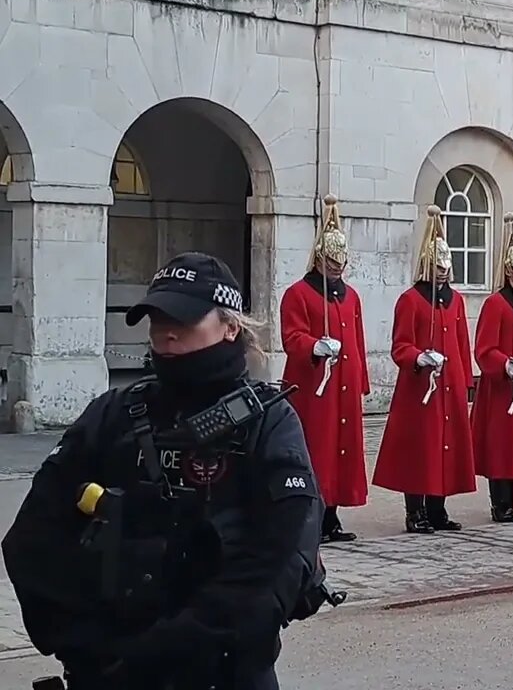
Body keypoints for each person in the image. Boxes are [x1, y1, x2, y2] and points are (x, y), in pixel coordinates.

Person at [3, 252, 325, 688]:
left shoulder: (268, 421)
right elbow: (33, 537)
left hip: (223, 672)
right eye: (156, 319)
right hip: (109, 669)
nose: (166, 332)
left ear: (230, 326)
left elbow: (284, 554)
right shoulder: (112, 414)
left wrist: (181, 642)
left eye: (184, 319)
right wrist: (84, 643)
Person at [373, 205, 476, 533]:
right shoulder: (410, 300)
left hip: (449, 385)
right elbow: (400, 346)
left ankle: (438, 508)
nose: (443, 273)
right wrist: (419, 357)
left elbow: (462, 345)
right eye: (438, 267)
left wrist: (464, 380)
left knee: (446, 448)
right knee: (420, 450)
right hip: (421, 388)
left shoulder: (457, 300)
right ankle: (414, 510)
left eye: (447, 267)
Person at [279, 194, 370, 544]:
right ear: (319, 258)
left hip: (343, 385)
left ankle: (331, 516)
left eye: (340, 261)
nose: (337, 267)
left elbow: (357, 342)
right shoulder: (298, 293)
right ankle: (312, 517)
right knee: (317, 448)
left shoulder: (350, 297)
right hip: (314, 385)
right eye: (331, 261)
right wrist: (314, 346)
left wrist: (361, 381)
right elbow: (292, 336)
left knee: (341, 451)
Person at [471, 211, 513, 522]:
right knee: (502, 448)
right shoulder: (495, 304)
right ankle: (501, 503)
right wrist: (504, 364)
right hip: (501, 390)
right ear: (509, 271)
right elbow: (483, 349)